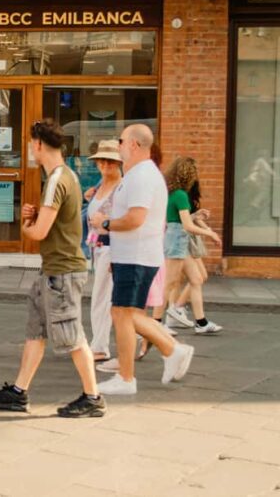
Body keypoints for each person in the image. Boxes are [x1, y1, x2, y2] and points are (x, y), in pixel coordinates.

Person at [0, 119, 106, 418]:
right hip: (54, 269)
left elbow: (38, 233)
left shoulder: (54, 180)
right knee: (36, 331)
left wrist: (26, 225)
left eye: (30, 143)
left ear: (38, 144)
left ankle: (93, 397)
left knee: (71, 334)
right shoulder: (68, 176)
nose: (29, 148)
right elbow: (58, 220)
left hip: (61, 271)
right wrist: (38, 215)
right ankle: (18, 392)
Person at [89, 124, 194, 395]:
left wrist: (106, 223)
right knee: (126, 314)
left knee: (122, 314)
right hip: (132, 256)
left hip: (137, 257)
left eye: (121, 141)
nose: (118, 145)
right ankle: (169, 352)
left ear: (134, 144)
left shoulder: (142, 176)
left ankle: (130, 376)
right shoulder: (138, 174)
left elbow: (136, 218)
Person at [161, 160, 223, 334]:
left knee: (195, 279)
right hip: (178, 240)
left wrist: (197, 217)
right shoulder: (180, 195)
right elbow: (186, 225)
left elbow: (181, 220)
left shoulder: (172, 193)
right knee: (170, 283)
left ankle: (200, 322)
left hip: (177, 239)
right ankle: (160, 320)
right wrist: (210, 233)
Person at [84, 140, 123, 363]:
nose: (105, 165)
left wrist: (106, 221)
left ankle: (100, 346)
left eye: (110, 161)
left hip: (110, 248)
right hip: (97, 247)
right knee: (100, 297)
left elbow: (123, 220)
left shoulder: (121, 187)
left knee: (103, 298)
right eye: (101, 161)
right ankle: (98, 343)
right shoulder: (100, 186)